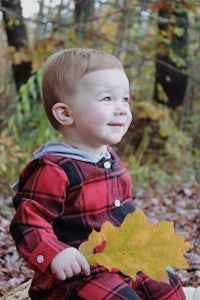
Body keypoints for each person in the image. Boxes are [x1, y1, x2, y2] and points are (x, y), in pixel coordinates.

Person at [10, 48, 186, 300]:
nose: (122, 109)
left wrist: (144, 237)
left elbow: (124, 210)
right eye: (107, 99)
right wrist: (54, 253)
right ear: (65, 114)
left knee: (167, 284)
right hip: (79, 272)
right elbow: (27, 221)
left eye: (125, 99)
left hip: (119, 256)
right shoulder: (53, 167)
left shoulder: (109, 157)